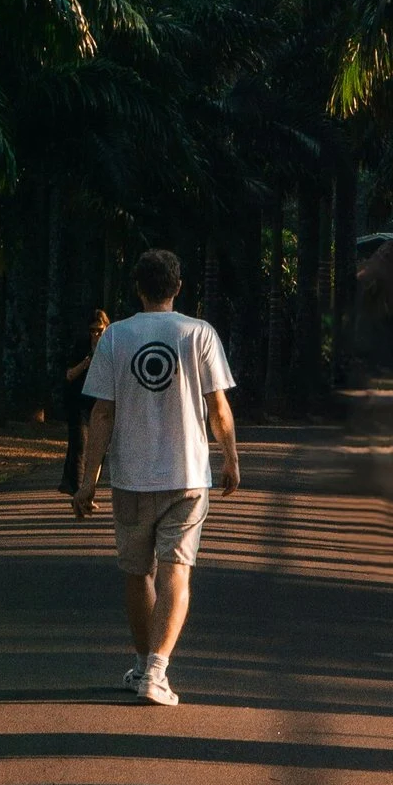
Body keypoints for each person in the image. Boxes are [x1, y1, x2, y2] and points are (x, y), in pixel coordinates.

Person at [73, 245, 238, 707]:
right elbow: (218, 406)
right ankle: (156, 673)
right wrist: (231, 457)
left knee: (136, 573)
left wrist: (89, 480)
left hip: (130, 477)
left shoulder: (115, 338)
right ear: (178, 287)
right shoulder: (198, 332)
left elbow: (101, 413)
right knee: (176, 571)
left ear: (138, 288)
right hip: (187, 475)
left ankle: (146, 666)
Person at [59, 307, 109, 493]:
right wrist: (88, 360)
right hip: (79, 402)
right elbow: (70, 374)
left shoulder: (112, 346)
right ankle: (78, 489)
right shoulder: (81, 346)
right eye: (92, 330)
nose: (96, 334)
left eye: (99, 330)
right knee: (80, 444)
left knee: (98, 446)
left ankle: (87, 484)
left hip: (101, 403)